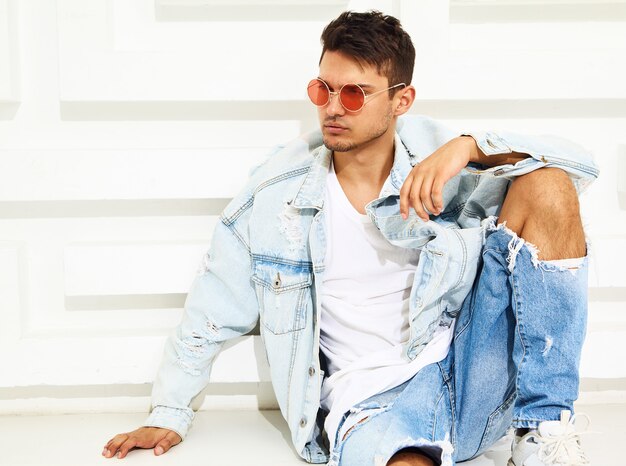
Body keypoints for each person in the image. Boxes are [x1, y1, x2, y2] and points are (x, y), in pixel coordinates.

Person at [101, 10, 598, 466]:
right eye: (323, 90)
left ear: (402, 99)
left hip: (472, 369)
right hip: (372, 400)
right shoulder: (278, 195)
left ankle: (543, 430)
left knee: (546, 182)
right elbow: (211, 307)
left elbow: (578, 167)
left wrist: (470, 149)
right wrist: (169, 411)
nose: (334, 108)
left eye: (355, 93)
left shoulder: (439, 158)